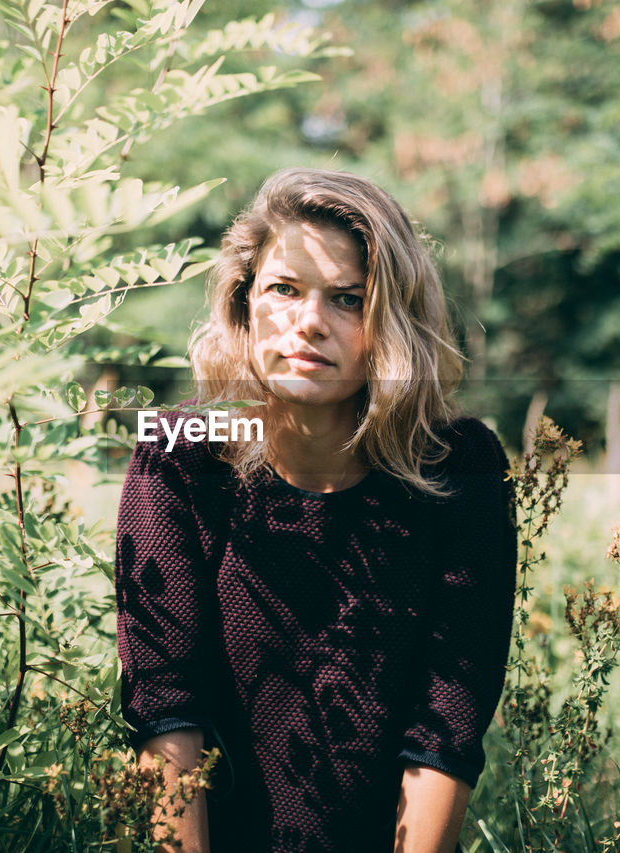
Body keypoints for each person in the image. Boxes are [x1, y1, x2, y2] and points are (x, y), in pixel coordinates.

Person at [114, 168, 516, 852]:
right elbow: (166, 711)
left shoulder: (458, 469)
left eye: (348, 299)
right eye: (284, 289)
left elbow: (444, 732)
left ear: (391, 320)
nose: (308, 323)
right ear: (244, 302)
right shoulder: (183, 455)